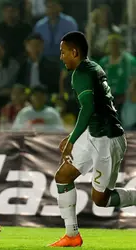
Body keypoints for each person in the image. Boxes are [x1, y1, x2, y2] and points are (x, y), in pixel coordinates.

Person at [51, 31, 133, 247]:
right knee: (63, 176)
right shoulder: (92, 67)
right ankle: (72, 235)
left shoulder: (80, 74)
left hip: (107, 140)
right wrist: (73, 136)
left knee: (101, 200)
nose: (61, 57)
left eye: (63, 52)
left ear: (74, 52)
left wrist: (71, 140)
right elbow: (94, 109)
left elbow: (88, 108)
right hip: (95, 134)